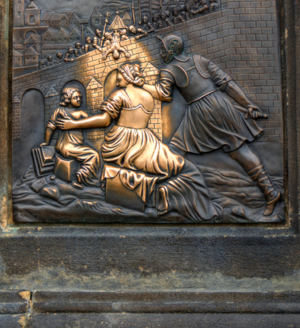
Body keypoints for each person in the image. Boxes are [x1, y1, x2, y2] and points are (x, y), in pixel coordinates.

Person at [56, 62, 220, 221]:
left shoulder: (120, 95)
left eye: (120, 74)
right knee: (184, 168)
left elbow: (105, 121)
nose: (117, 78)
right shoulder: (148, 96)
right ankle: (173, 195)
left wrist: (73, 124)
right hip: (147, 141)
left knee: (170, 168)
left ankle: (162, 193)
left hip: (121, 144)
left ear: (127, 76)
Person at [142, 33, 281, 216]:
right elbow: (227, 84)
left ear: (172, 48)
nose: (161, 53)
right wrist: (247, 104)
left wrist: (141, 84)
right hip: (221, 105)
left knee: (175, 150)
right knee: (239, 151)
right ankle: (270, 192)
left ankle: (159, 197)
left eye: (163, 48)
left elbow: (164, 94)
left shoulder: (169, 70)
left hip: (201, 112)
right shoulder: (200, 59)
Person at [42, 87, 102, 188]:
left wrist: (47, 142)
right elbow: (93, 122)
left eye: (80, 97)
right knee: (93, 155)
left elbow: (50, 127)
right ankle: (81, 178)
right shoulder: (80, 113)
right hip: (70, 147)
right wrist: (46, 143)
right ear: (68, 99)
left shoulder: (58, 111)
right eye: (75, 98)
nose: (79, 99)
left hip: (60, 147)